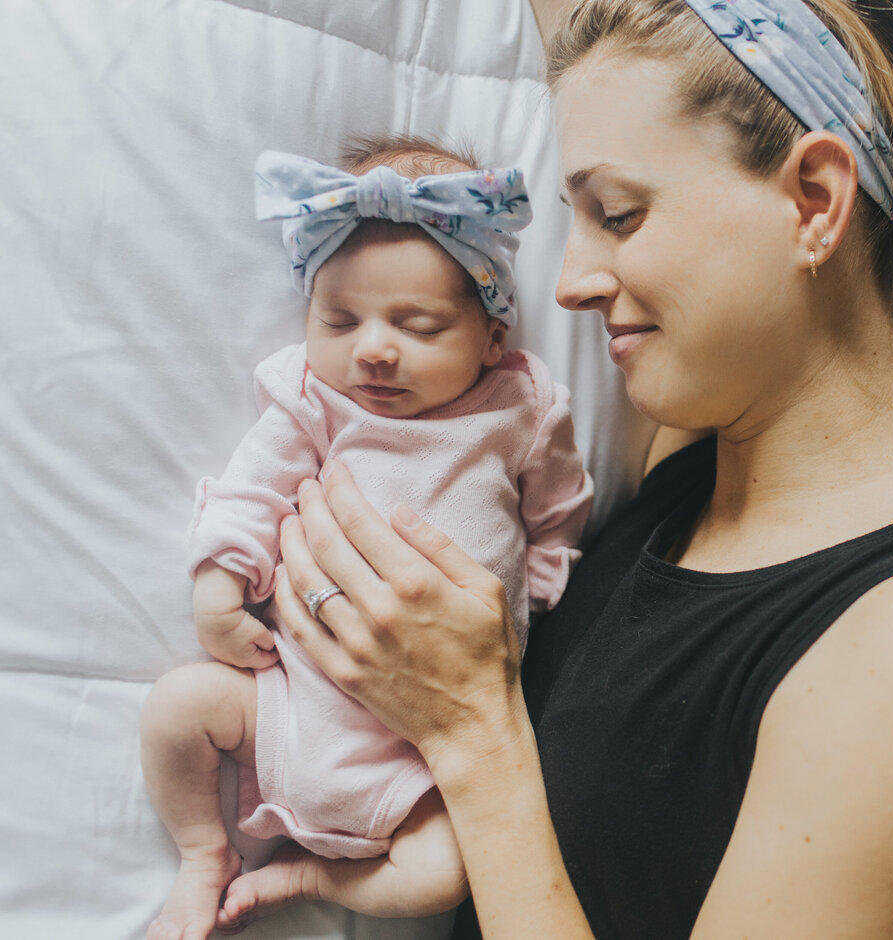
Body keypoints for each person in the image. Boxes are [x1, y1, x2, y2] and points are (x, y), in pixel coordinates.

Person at [220, 1, 893, 936]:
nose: (568, 281)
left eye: (618, 215)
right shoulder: (687, 478)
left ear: (816, 203)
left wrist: (473, 729)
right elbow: (617, 50)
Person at [139, 135, 592, 939]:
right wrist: (218, 588)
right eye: (340, 318)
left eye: (417, 325)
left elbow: (557, 503)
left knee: (447, 875)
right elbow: (252, 487)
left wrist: (545, 580)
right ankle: (205, 852)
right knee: (177, 710)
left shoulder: (520, 407)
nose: (373, 348)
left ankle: (313, 875)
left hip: (420, 758)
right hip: (287, 704)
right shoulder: (315, 397)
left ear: (493, 338)